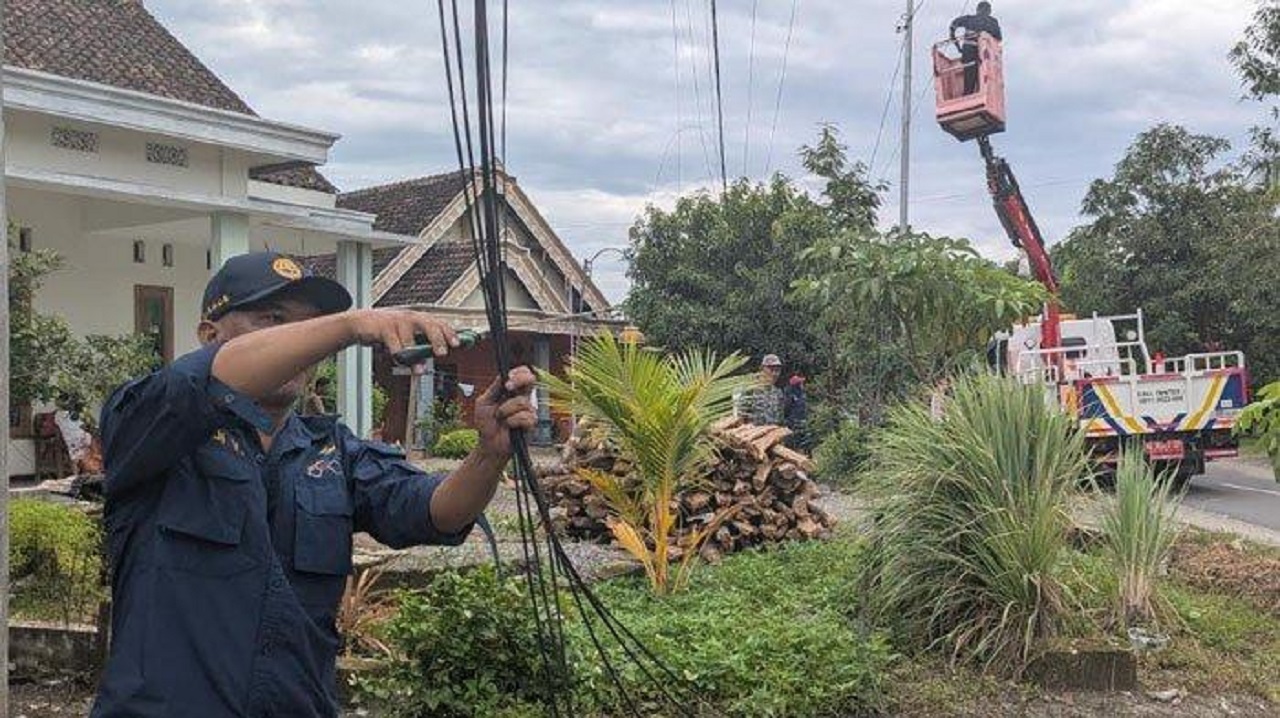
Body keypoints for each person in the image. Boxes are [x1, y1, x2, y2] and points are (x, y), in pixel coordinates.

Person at [90, 252, 537, 718]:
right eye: (274, 321)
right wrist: (349, 326)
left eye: (309, 327)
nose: (303, 343)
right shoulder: (150, 426)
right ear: (210, 335)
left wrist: (489, 453)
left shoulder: (334, 452)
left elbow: (435, 511)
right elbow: (204, 380)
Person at [950, 1, 1003, 94]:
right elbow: (998, 39)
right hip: (983, 54)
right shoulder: (993, 22)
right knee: (982, 79)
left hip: (969, 51)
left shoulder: (969, 19)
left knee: (969, 78)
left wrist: (957, 46)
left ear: (977, 9)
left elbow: (952, 26)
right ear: (989, 11)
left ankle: (969, 97)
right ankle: (978, 97)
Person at [736, 354, 785, 426]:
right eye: (771, 370)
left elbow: (779, 419)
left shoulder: (778, 393)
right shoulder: (751, 390)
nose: (774, 373)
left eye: (777, 370)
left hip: (772, 434)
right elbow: (741, 416)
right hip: (753, 434)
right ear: (762, 369)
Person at [782, 374, 809, 449]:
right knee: (792, 441)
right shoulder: (790, 395)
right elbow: (786, 409)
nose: (802, 385)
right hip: (792, 422)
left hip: (802, 421)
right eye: (800, 383)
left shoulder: (801, 394)